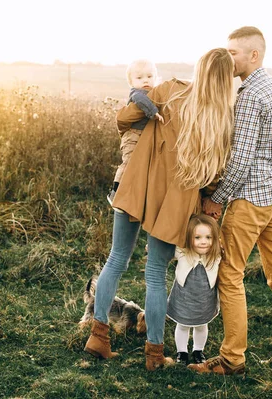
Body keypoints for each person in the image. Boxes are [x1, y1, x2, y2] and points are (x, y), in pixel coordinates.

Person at [84, 48, 235, 371]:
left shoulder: (170, 91)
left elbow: (124, 119)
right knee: (155, 275)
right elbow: (214, 177)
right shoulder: (222, 119)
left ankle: (99, 337)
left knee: (116, 259)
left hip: (137, 186)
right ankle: (154, 355)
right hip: (175, 204)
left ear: (200, 68)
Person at [192, 26, 272, 375]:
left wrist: (217, 198)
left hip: (249, 200)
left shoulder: (248, 96)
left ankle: (232, 359)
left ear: (253, 55)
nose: (228, 58)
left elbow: (240, 159)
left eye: (233, 53)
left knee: (230, 274)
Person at [107, 59, 164, 211]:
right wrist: (154, 112)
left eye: (150, 76)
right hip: (133, 134)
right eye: (139, 78)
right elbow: (141, 101)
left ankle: (134, 193)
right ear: (131, 82)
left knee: (140, 165)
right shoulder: (137, 93)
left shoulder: (155, 92)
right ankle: (115, 191)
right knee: (129, 162)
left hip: (143, 135)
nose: (145, 80)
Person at [166, 214, 222, 367]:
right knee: (183, 325)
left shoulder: (216, 255)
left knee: (202, 325)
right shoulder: (183, 252)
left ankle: (198, 350)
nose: (203, 242)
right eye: (197, 237)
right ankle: (182, 352)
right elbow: (168, 249)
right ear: (189, 238)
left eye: (208, 237)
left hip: (204, 299)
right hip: (184, 297)